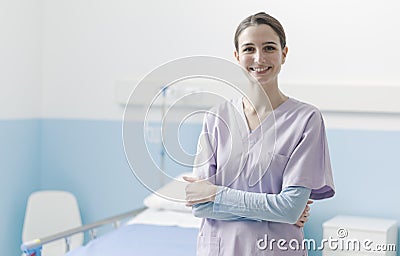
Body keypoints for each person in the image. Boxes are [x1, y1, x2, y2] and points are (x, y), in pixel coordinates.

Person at [183, 12, 335, 255]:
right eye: (249, 49)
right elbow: (200, 206)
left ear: (284, 54)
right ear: (237, 56)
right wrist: (274, 209)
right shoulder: (216, 118)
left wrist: (216, 194)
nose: (259, 58)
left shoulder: (306, 120)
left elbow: (290, 209)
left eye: (269, 48)